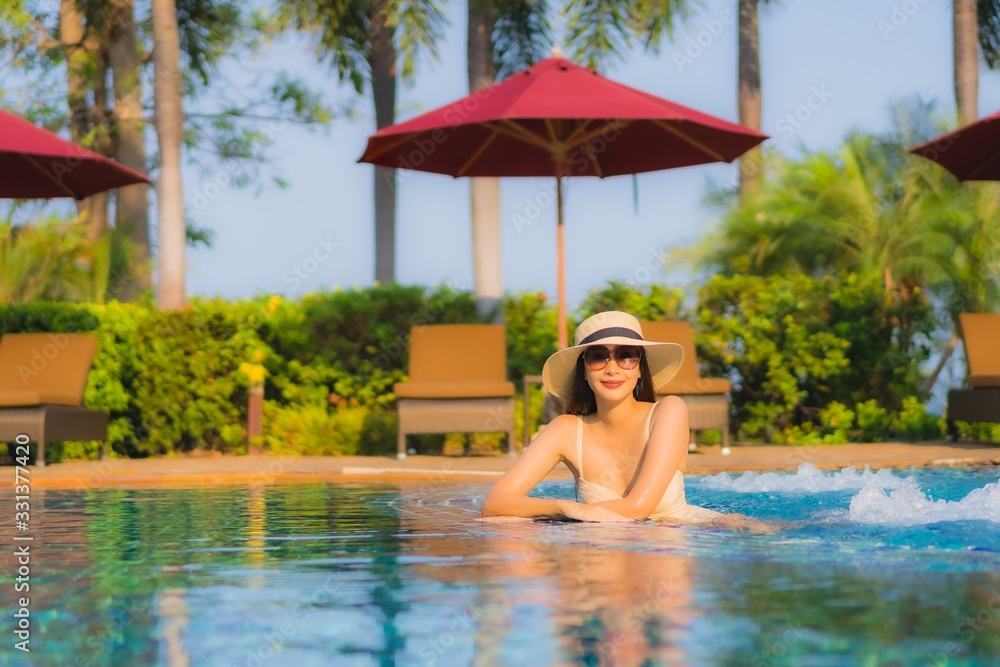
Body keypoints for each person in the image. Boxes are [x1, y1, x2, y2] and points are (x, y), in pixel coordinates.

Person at [481, 311, 735, 525]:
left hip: (678, 546)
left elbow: (638, 510)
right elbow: (494, 504)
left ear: (639, 369)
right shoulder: (566, 430)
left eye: (626, 355)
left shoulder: (668, 411)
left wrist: (578, 514)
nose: (612, 368)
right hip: (605, 560)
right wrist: (565, 507)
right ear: (583, 370)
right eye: (598, 356)